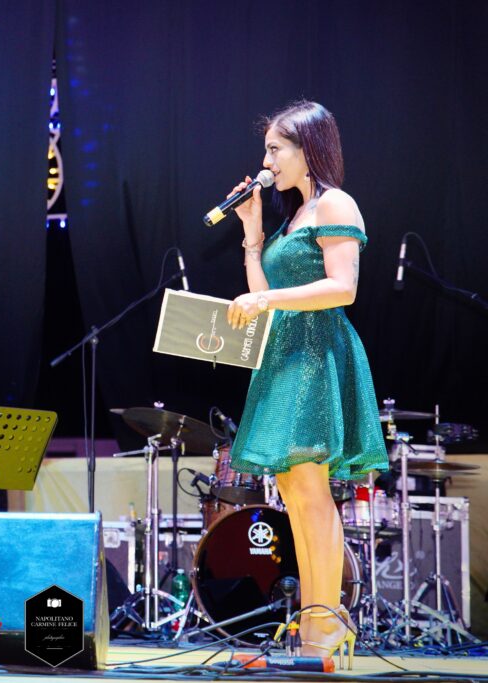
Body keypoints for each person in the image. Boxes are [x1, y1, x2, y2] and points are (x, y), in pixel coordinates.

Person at [225, 100, 387, 668]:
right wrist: (252, 234)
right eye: (266, 148)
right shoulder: (293, 216)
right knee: (294, 494)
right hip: (286, 354)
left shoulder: (334, 203)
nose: (266, 160)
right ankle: (317, 626)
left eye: (275, 149)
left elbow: (343, 288)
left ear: (307, 150)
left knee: (314, 494)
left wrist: (265, 296)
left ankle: (325, 622)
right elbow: (262, 295)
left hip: (318, 354)